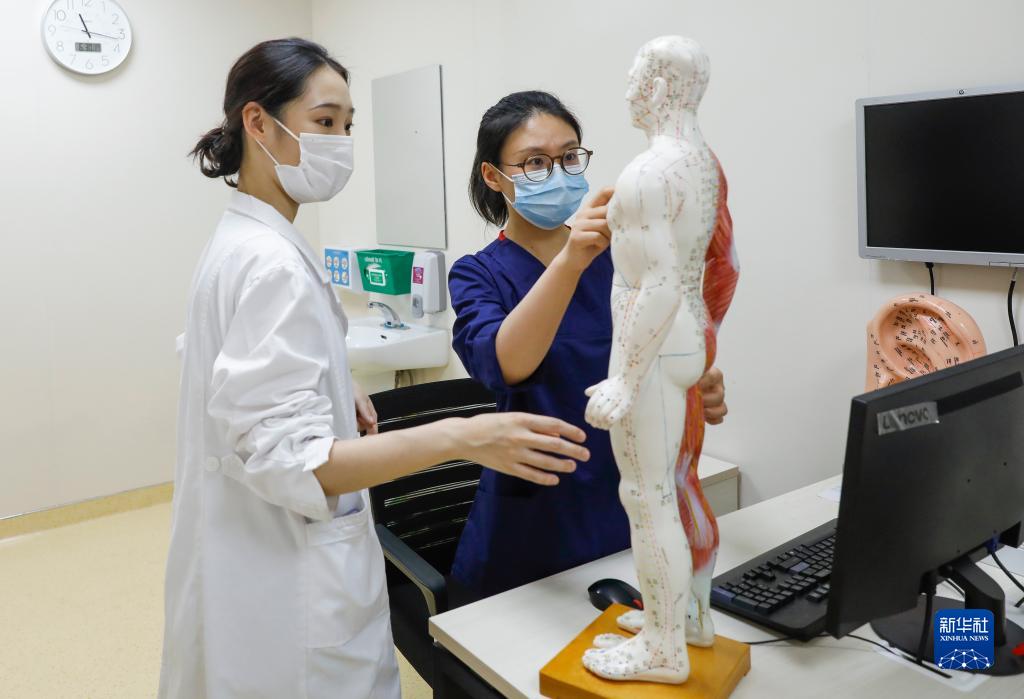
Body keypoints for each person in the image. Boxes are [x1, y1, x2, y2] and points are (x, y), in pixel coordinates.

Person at [159, 40, 589, 699]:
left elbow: (227, 365)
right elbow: (294, 461)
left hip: (249, 564)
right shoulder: (273, 263)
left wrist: (336, 378)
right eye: (324, 121)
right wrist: (463, 435)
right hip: (288, 585)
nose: (341, 143)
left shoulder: (245, 242)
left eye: (347, 125)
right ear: (257, 123)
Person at [448, 91, 728, 598]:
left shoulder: (623, 259)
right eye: (535, 162)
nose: (557, 173)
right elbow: (505, 364)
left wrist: (694, 379)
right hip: (537, 516)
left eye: (569, 157)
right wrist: (570, 260)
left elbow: (657, 348)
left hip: (623, 497)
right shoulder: (478, 274)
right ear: (493, 176)